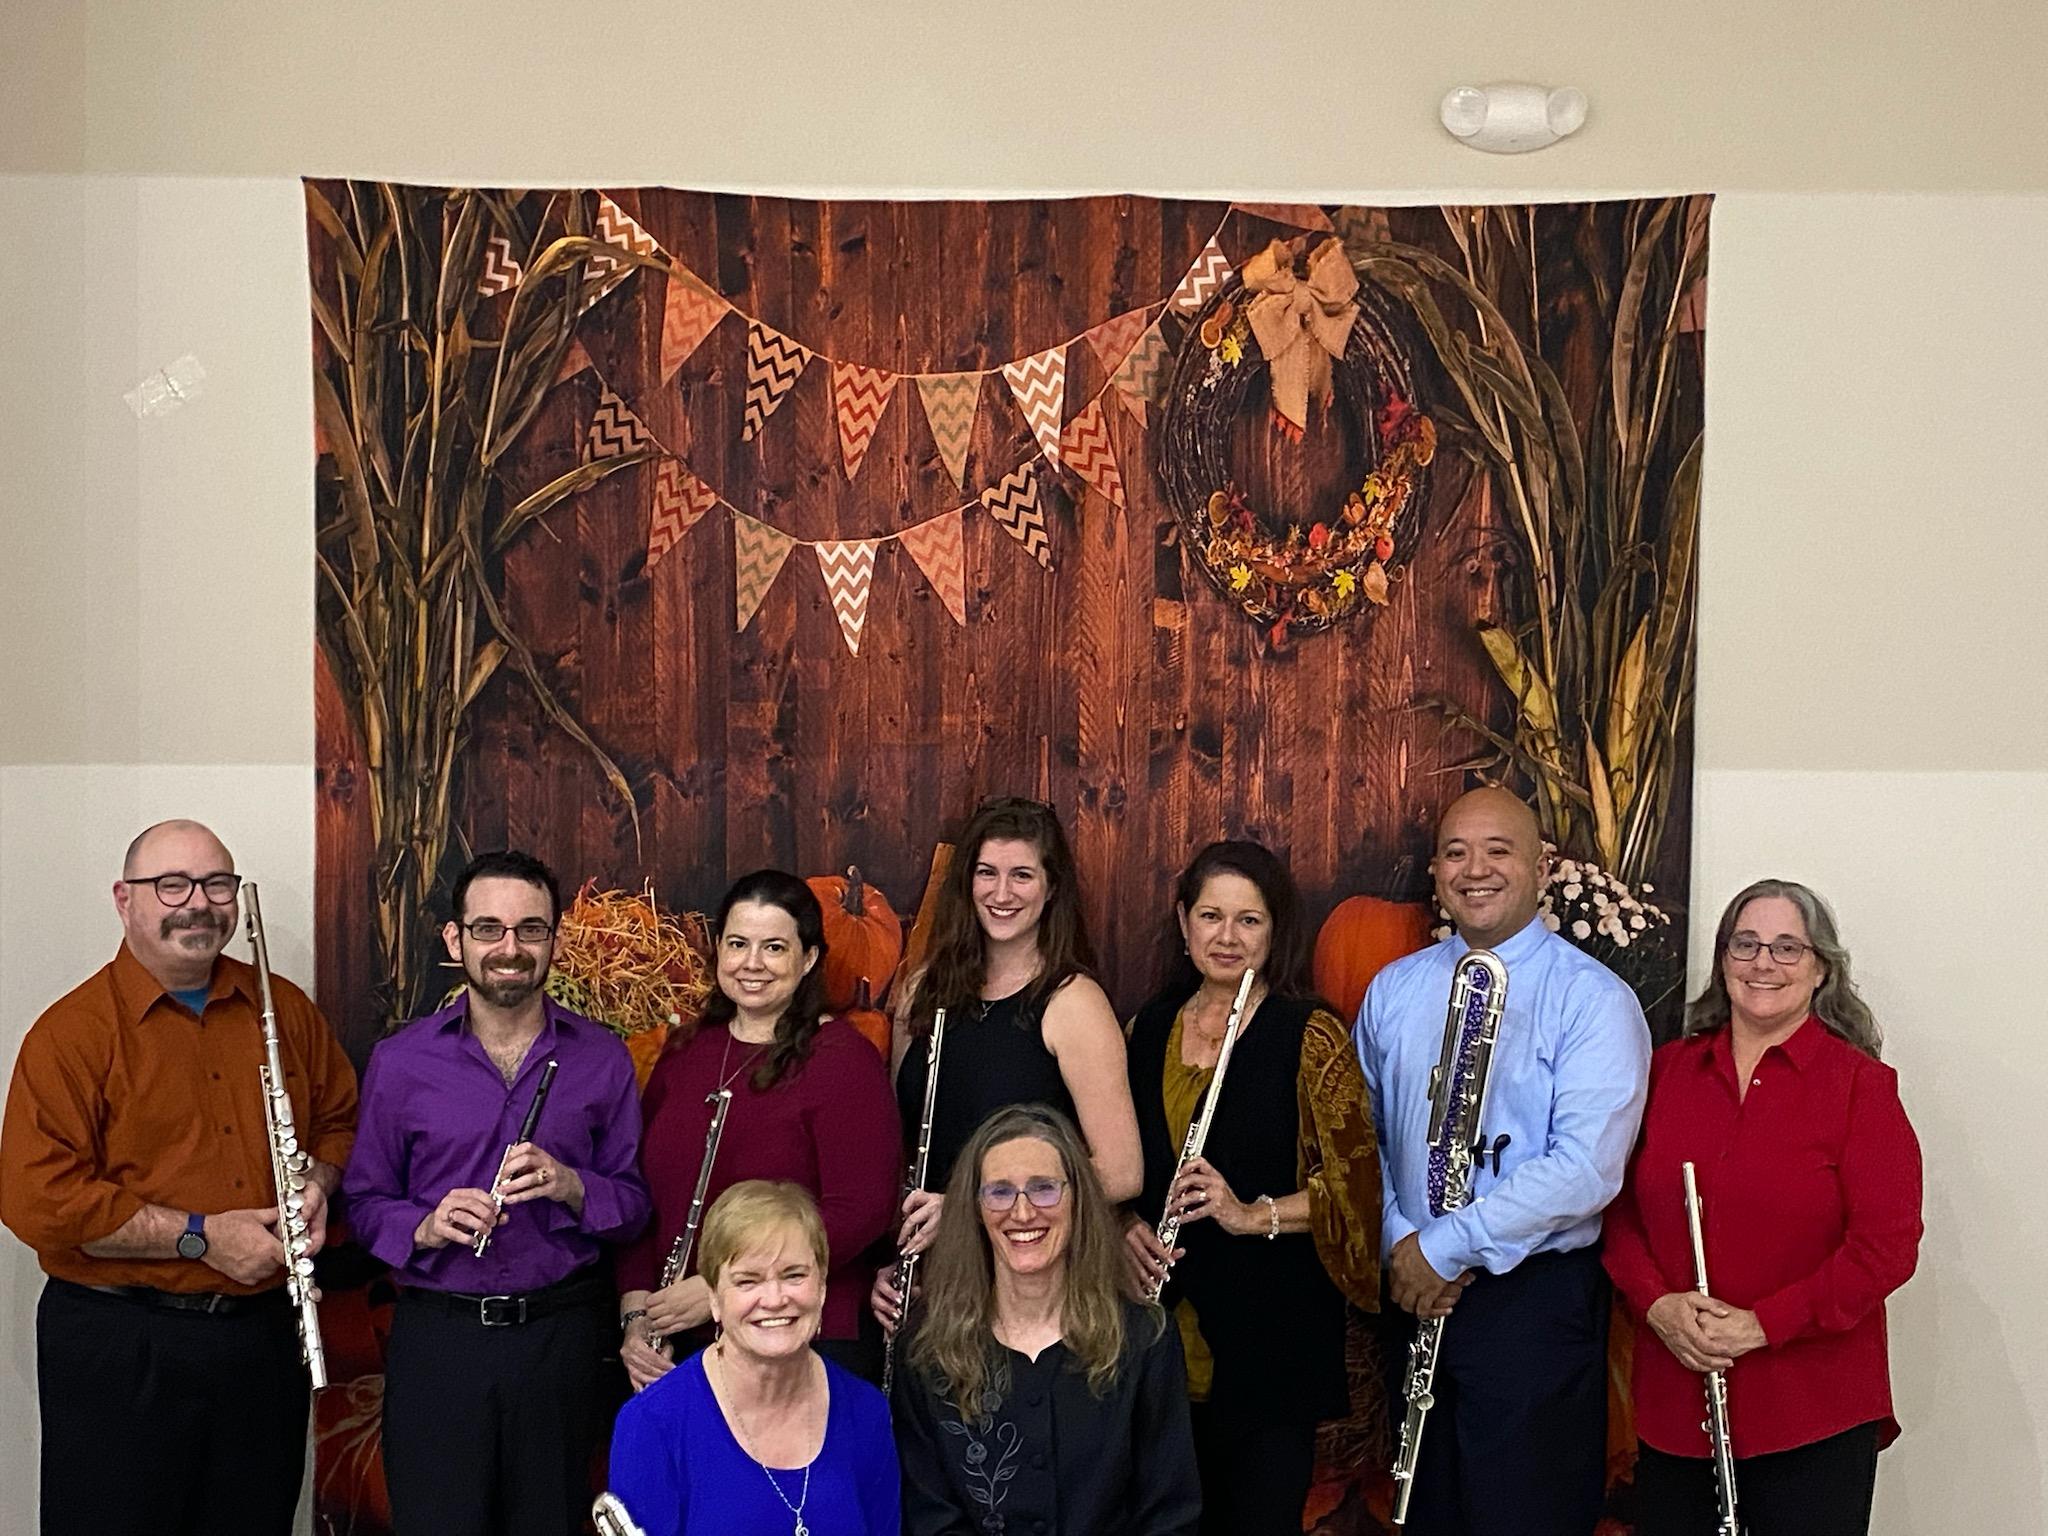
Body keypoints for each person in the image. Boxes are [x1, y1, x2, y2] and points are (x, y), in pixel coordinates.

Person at [0, 818, 359, 1536]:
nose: (197, 903)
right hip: (122, 1344)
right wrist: (199, 1238)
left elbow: (337, 1120)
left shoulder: (284, 1008)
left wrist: (317, 1186)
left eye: (217, 884)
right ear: (124, 899)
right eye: (171, 885)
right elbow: (38, 1200)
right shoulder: (70, 1034)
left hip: (259, 1339)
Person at [1354, 787, 1650, 1536]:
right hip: (1413, 1293)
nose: (1475, 869)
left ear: (1541, 867)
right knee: (1424, 1515)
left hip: (1532, 1311)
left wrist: (1446, 1247)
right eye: (1456, 853)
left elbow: (1585, 1169)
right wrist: (1401, 1243)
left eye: (1498, 851)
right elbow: (1362, 1140)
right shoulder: (1394, 990)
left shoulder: (1593, 1000)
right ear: (1435, 871)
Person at [343, 849, 651, 1536]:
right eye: (489, 929)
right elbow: (363, 1202)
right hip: (439, 1342)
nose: (510, 949)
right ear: (456, 940)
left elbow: (633, 1205)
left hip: (560, 1341)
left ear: (554, 941)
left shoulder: (602, 1057)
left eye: (530, 929)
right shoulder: (401, 1061)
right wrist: (424, 1225)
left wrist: (572, 1186)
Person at [1604, 879, 1923, 1536]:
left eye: (1786, 947)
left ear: (1821, 968)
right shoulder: (1667, 1072)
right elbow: (1617, 1213)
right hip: (1678, 1400)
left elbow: (1885, 1248)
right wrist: (1656, 1305)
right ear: (1723, 959)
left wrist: (1763, 1325)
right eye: (1745, 944)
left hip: (1812, 1406)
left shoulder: (1861, 1087)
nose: (1763, 963)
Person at [1122, 840, 1381, 1535]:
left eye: (1249, 920)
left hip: (1271, 1346)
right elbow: (1111, 1169)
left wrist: (1247, 1213)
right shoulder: (1145, 1029)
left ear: (1275, 931)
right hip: (1160, 1339)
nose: (1227, 937)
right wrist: (1123, 1228)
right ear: (1184, 922)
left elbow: (1355, 1193)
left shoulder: (1310, 1034)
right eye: (1211, 916)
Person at [872, 796, 1143, 1333]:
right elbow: (903, 1152)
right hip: (936, 1279)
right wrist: (890, 1258)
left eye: (1021, 875)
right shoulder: (923, 990)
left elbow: (1122, 1172)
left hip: (1028, 1276)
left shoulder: (1073, 1002)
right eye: (986, 873)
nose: (1001, 894)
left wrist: (967, 1206)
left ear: (1051, 887)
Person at [619, 871, 899, 1388]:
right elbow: (641, 1198)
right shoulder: (686, 1052)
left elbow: (861, 1210)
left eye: (774, 947)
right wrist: (637, 1315)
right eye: (738, 944)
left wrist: (720, 1289)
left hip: (797, 1337)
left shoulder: (842, 1060)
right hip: (681, 1339)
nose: (752, 963)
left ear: (808, 958)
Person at [894, 1104, 1200, 1535]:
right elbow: (931, 1519)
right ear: (975, 1208)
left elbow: (1170, 1516)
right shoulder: (926, 1350)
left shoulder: (1145, 1339)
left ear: (1077, 1200)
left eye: (1044, 1189)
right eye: (999, 1192)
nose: (1022, 1213)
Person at [609, 1179, 900, 1536]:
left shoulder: (866, 1411)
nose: (775, 1299)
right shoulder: (652, 1423)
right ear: (714, 1298)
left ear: (822, 1286)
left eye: (794, 1275)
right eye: (748, 1281)